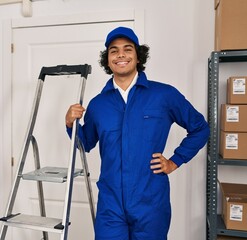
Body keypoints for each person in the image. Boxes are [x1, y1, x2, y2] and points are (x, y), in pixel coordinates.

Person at [65, 26, 210, 240]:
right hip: (111, 203)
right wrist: (70, 124)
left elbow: (200, 127)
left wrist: (174, 161)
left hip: (150, 202)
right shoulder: (98, 105)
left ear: (138, 57)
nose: (121, 54)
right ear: (108, 60)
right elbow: (85, 144)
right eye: (114, 51)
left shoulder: (164, 95)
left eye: (127, 49)